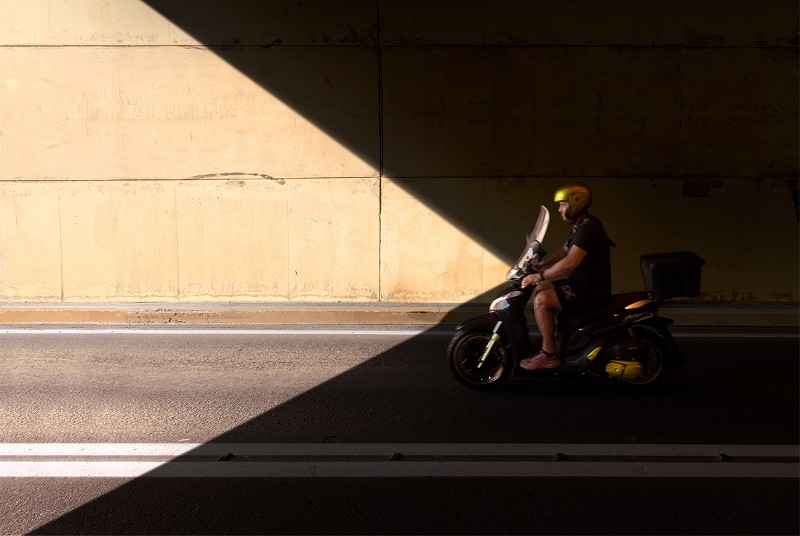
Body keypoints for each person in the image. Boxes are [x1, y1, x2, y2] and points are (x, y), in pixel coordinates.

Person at [519, 183, 614, 370]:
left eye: (563, 204)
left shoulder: (589, 229)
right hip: (581, 285)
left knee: (542, 300)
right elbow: (564, 251)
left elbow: (570, 262)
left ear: (576, 203)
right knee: (541, 289)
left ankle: (549, 355)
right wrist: (540, 264)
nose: (559, 209)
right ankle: (556, 336)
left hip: (590, 291)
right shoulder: (581, 226)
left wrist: (541, 275)